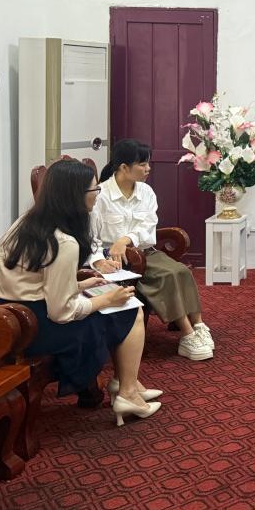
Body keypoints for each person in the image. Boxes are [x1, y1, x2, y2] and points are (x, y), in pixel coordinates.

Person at [0, 159, 161, 426]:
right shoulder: (63, 242)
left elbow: (32, 280)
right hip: (34, 326)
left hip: (7, 313)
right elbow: (62, 312)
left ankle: (127, 384)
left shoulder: (26, 222)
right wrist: (105, 299)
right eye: (94, 190)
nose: (98, 195)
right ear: (74, 196)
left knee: (119, 305)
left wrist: (78, 285)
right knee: (129, 309)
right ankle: (126, 391)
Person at [91, 140, 214, 361]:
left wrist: (126, 239)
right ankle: (187, 335)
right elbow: (91, 237)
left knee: (181, 271)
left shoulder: (146, 191)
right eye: (142, 164)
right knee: (167, 274)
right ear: (124, 167)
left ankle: (199, 326)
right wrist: (102, 258)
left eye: (148, 163)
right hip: (115, 259)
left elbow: (149, 225)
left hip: (145, 252)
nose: (148, 168)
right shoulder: (101, 195)